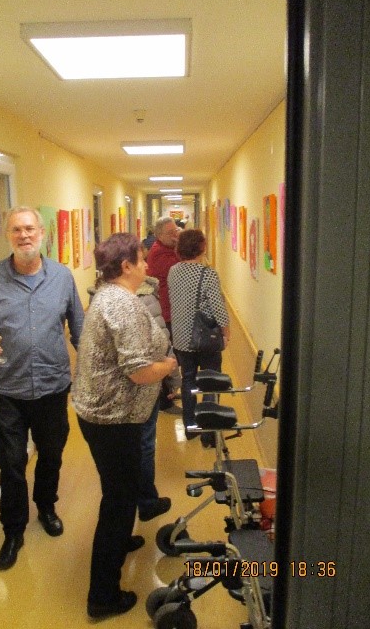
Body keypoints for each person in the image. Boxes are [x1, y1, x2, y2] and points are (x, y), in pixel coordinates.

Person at [0, 206, 84, 571]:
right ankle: (13, 531)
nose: (24, 235)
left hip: (52, 386)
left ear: (42, 233)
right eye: (17, 229)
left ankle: (46, 507)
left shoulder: (62, 277)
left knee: (51, 453)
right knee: (12, 462)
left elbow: (80, 330)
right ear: (8, 235)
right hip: (8, 389)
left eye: (30, 228)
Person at [72, 233, 177, 619]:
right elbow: (138, 372)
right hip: (113, 419)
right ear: (126, 265)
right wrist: (167, 366)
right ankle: (102, 597)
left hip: (102, 416)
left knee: (120, 492)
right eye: (142, 259)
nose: (148, 265)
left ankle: (119, 541)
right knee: (117, 501)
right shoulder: (122, 303)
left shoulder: (107, 295)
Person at [168, 229, 230, 442]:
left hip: (181, 338)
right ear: (201, 248)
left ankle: (191, 427)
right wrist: (226, 332)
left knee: (188, 380)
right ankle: (209, 431)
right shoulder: (207, 274)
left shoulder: (173, 271)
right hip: (205, 338)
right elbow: (218, 308)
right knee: (211, 382)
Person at [136, 275, 180, 521]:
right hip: (145, 386)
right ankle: (146, 502)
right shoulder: (145, 297)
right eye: (140, 261)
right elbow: (163, 344)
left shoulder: (100, 298)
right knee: (144, 444)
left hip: (114, 396)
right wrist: (173, 379)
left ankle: (130, 504)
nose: (146, 266)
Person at [146, 216, 182, 414]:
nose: (175, 235)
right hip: (163, 312)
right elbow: (180, 267)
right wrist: (181, 245)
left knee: (170, 354)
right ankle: (164, 402)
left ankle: (170, 392)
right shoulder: (159, 253)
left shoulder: (167, 249)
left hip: (168, 311)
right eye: (171, 233)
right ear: (159, 235)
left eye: (176, 230)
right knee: (165, 354)